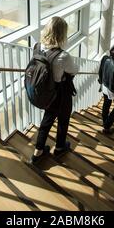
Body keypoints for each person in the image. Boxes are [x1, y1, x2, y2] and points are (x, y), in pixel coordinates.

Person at [30, 17, 78, 164]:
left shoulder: (37, 46)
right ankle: (59, 147)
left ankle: (38, 152)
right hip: (61, 92)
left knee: (47, 120)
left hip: (46, 91)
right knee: (63, 119)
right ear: (61, 34)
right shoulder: (63, 56)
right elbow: (74, 70)